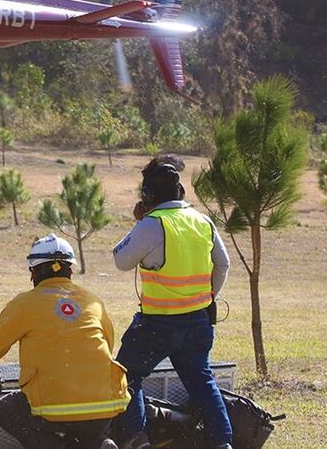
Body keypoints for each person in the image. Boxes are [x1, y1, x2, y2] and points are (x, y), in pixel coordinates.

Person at [0, 234, 128, 449]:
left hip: (54, 409)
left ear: (33, 272)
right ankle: (98, 443)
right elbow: (108, 343)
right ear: (70, 270)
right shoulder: (92, 300)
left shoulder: (25, 303)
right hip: (105, 407)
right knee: (84, 430)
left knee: (6, 410)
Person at [112, 157, 233, 449]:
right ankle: (223, 443)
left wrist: (139, 222)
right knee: (202, 382)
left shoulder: (152, 223)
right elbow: (223, 264)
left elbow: (121, 260)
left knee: (125, 376)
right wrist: (208, 297)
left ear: (147, 195)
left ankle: (138, 440)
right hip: (198, 322)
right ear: (181, 191)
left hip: (157, 324)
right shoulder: (202, 221)